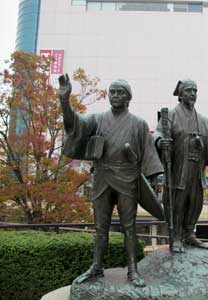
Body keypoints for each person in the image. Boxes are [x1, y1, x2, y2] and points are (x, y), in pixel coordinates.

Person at [58, 74, 164, 286]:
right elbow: (74, 126)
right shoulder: (97, 120)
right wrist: (64, 101)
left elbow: (149, 154)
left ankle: (133, 269)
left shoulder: (138, 124)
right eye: (112, 92)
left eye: (120, 92)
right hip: (102, 177)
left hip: (127, 178)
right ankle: (96, 267)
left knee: (129, 227)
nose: (115, 96)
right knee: (100, 227)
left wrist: (157, 176)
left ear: (128, 98)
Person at [155, 79, 208, 253]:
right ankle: (176, 236)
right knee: (178, 204)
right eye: (188, 90)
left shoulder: (202, 119)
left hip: (197, 168)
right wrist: (160, 141)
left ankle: (189, 233)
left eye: (195, 90)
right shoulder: (170, 115)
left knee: (196, 203)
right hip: (179, 167)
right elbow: (157, 134)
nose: (192, 93)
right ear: (180, 94)